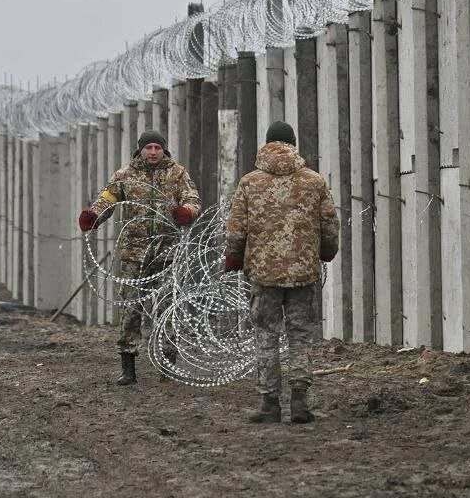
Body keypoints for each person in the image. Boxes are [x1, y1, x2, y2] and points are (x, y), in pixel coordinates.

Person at [223, 121, 338, 424]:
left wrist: (233, 258)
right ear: (293, 144)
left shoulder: (249, 182)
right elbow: (329, 223)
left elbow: (236, 230)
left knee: (266, 335)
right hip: (303, 272)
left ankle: (269, 403)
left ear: (267, 144)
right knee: (300, 336)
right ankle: (300, 402)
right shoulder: (314, 181)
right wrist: (326, 252)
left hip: (263, 274)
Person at [78, 130, 200, 386]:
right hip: (134, 253)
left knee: (167, 308)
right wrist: (94, 217)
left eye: (157, 147)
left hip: (166, 252)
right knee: (131, 308)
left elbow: (192, 199)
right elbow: (106, 201)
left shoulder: (177, 174)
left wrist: (186, 212)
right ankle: (128, 365)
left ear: (163, 150)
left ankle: (168, 363)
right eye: (149, 148)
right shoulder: (125, 176)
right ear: (140, 150)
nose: (153, 152)